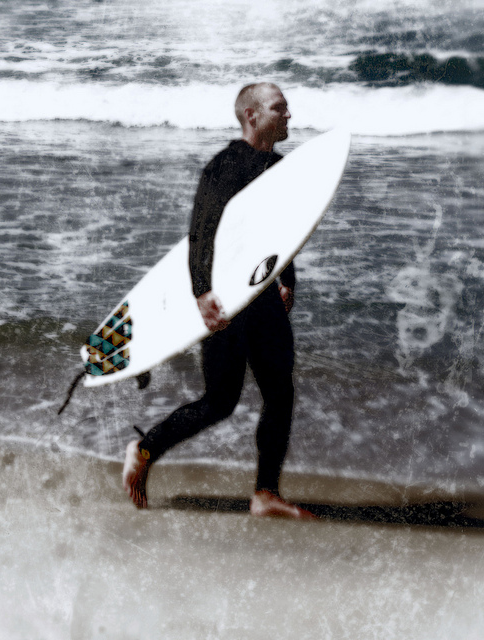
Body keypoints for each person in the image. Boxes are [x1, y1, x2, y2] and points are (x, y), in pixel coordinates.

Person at [122, 82, 315, 519]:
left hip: (261, 294)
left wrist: (287, 279)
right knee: (219, 402)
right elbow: (202, 231)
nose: (288, 115)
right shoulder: (226, 165)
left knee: (280, 395)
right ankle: (144, 450)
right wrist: (202, 292)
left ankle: (266, 494)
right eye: (279, 108)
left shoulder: (279, 167)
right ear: (251, 114)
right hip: (227, 297)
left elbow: (282, 232)